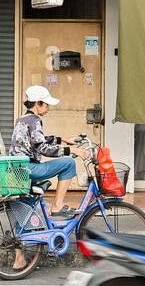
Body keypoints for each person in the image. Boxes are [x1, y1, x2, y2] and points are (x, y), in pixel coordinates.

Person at [10, 86, 90, 217]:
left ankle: (22, 232)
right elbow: (42, 148)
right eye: (46, 105)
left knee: (28, 202)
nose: (48, 108)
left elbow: (35, 141)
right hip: (29, 168)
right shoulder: (35, 120)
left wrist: (62, 139)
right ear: (38, 104)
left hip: (18, 168)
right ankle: (57, 206)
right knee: (69, 163)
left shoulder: (22, 119)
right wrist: (71, 150)